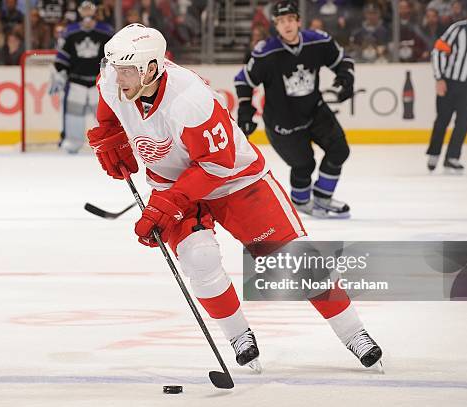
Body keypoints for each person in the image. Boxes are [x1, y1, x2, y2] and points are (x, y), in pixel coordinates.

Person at [87, 23, 383, 372]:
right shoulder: (113, 77)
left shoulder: (190, 99)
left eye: (126, 71)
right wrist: (110, 136)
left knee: (293, 260)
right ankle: (239, 336)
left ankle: (354, 333)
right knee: (199, 260)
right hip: (172, 182)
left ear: (151, 68)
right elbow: (109, 110)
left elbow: (216, 164)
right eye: (115, 69)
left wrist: (167, 204)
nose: (117, 78)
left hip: (235, 181)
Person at [235, 1, 355, 219]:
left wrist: (346, 78)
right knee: (304, 164)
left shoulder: (318, 41)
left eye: (290, 19)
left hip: (315, 111)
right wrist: (245, 110)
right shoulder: (266, 52)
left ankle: (322, 197)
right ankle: (300, 201)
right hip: (283, 122)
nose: (287, 25)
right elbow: (243, 80)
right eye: (281, 21)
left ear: (299, 21)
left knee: (339, 150)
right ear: (275, 26)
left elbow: (342, 60)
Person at [427, 0, 467, 174]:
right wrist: (439, 78)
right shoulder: (457, 29)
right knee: (442, 120)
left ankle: (452, 158)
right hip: (449, 82)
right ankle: (434, 153)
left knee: (463, 123)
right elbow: (439, 51)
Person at [49, 1, 112, 153]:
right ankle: (72, 142)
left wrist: (111, 76)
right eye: (84, 8)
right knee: (73, 114)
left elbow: (112, 55)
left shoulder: (106, 31)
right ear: (79, 11)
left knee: (103, 117)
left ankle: (108, 143)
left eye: (89, 8)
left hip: (99, 83)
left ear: (95, 10)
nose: (87, 12)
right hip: (76, 81)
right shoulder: (70, 31)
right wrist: (60, 73)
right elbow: (63, 57)